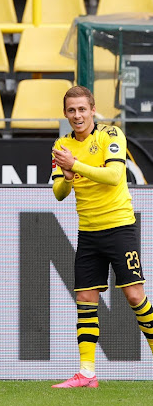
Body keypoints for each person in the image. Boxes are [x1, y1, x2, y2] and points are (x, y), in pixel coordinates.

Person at [51, 85, 150, 388]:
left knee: (135, 296)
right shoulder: (61, 145)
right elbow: (58, 193)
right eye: (71, 110)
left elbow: (115, 176)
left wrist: (76, 165)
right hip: (89, 231)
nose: (77, 115)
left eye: (82, 109)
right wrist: (67, 177)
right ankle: (87, 372)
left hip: (119, 227)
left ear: (93, 109)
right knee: (85, 299)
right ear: (66, 114)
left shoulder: (111, 135)